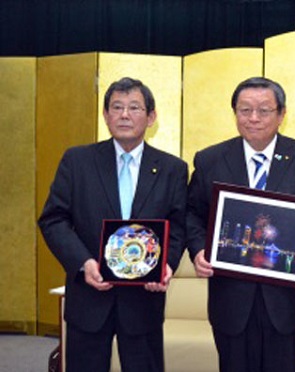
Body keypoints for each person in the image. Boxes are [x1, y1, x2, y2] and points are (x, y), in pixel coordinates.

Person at [186, 76, 295, 372]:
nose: (254, 118)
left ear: (282, 114)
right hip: (231, 302)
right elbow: (192, 214)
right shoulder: (210, 159)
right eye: (245, 110)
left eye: (264, 110)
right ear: (234, 113)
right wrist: (198, 250)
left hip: (286, 306)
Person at [38, 77, 188, 372]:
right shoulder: (77, 160)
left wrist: (165, 265)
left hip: (144, 298)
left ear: (151, 117)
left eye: (134, 107)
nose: (124, 115)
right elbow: (53, 219)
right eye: (116, 107)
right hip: (90, 299)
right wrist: (83, 263)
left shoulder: (173, 169)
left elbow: (178, 225)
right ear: (105, 115)